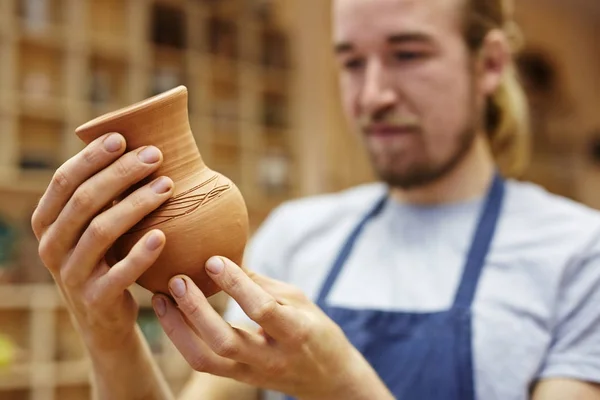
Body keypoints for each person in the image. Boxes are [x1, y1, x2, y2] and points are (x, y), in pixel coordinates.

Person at [30, 0, 600, 399]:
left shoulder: (579, 255)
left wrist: (343, 385)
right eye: (351, 61)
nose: (372, 94)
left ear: (490, 64)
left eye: (408, 54)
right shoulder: (295, 235)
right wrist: (107, 333)